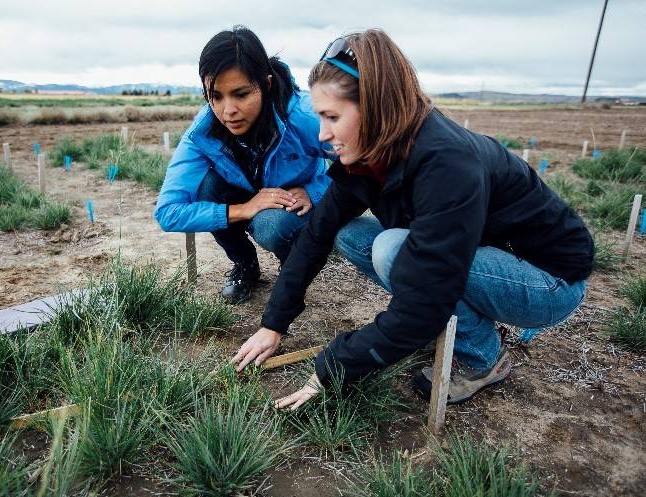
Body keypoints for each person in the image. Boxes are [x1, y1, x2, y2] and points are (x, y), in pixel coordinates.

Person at [231, 29, 593, 409]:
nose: (323, 135)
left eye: (332, 116)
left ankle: (483, 357)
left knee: (394, 250)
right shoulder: (370, 153)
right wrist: (274, 324)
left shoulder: (446, 163)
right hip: (484, 254)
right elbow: (316, 236)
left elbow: (428, 293)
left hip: (549, 281)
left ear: (374, 106)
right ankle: (449, 327)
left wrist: (335, 365)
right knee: (351, 234)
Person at [154, 26, 330, 304]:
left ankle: (294, 264)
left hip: (294, 200)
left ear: (267, 84)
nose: (228, 111)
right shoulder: (202, 133)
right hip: (248, 195)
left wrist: (315, 189)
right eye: (216, 96)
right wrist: (243, 209)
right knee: (207, 187)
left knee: (270, 226)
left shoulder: (306, 116)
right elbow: (168, 213)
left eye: (241, 94)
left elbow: (364, 161)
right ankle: (245, 265)